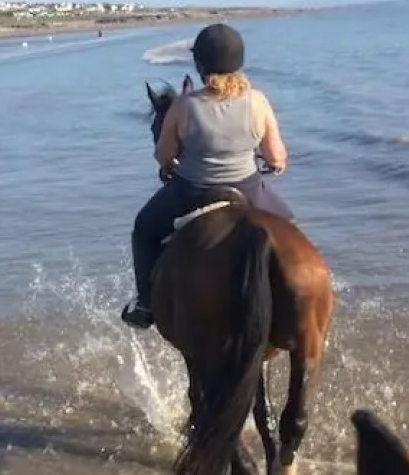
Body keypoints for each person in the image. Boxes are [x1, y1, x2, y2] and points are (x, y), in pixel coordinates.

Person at [121, 22, 293, 330]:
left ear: (199, 65)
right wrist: (276, 164)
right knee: (289, 230)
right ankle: (294, 299)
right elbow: (276, 156)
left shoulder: (184, 105)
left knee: (144, 229)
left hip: (191, 191)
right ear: (238, 61)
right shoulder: (258, 101)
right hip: (249, 190)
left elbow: (163, 154)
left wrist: (172, 162)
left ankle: (146, 303)